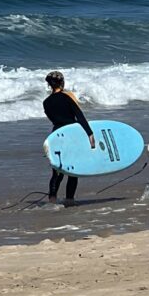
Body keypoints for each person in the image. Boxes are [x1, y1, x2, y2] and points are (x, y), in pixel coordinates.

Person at [43, 71, 96, 207]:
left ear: (49, 85)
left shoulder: (46, 103)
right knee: (72, 171)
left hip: (56, 136)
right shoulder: (67, 98)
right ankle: (69, 200)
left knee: (57, 172)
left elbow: (54, 120)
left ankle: (52, 201)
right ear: (62, 82)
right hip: (71, 136)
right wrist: (89, 133)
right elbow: (79, 116)